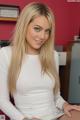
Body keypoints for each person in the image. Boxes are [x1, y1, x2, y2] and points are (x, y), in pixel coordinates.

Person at [0, 2, 80, 120]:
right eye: (37, 29)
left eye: (47, 31)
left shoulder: (52, 55)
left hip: (56, 114)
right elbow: (2, 100)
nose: (43, 36)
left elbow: (56, 96)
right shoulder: (6, 54)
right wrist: (23, 118)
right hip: (27, 117)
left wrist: (65, 105)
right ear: (24, 25)